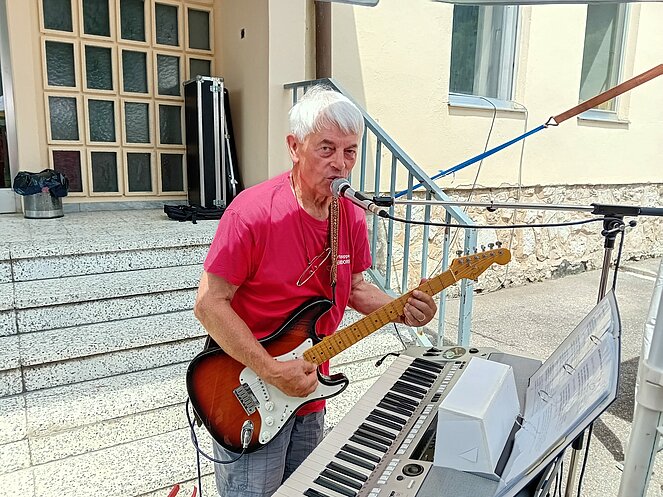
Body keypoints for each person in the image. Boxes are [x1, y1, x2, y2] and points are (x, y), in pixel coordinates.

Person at [193, 85, 437, 497]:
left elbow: (354, 288)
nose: (340, 164)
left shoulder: (350, 215)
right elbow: (208, 304)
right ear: (295, 147)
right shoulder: (252, 213)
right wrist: (271, 370)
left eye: (350, 151)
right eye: (327, 149)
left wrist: (403, 309)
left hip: (310, 389)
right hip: (249, 389)